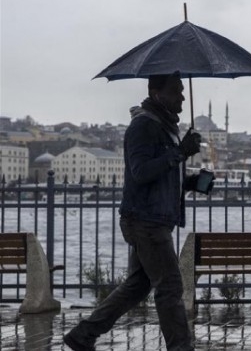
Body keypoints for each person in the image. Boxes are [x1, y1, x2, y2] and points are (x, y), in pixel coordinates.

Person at [64, 73, 211, 351]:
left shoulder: (165, 127)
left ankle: (82, 335)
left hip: (153, 219)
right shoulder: (143, 126)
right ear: (157, 94)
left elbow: (162, 174)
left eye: (182, 90)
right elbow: (141, 172)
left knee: (137, 286)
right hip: (146, 221)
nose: (182, 96)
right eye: (176, 91)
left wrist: (192, 181)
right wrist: (180, 153)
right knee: (169, 288)